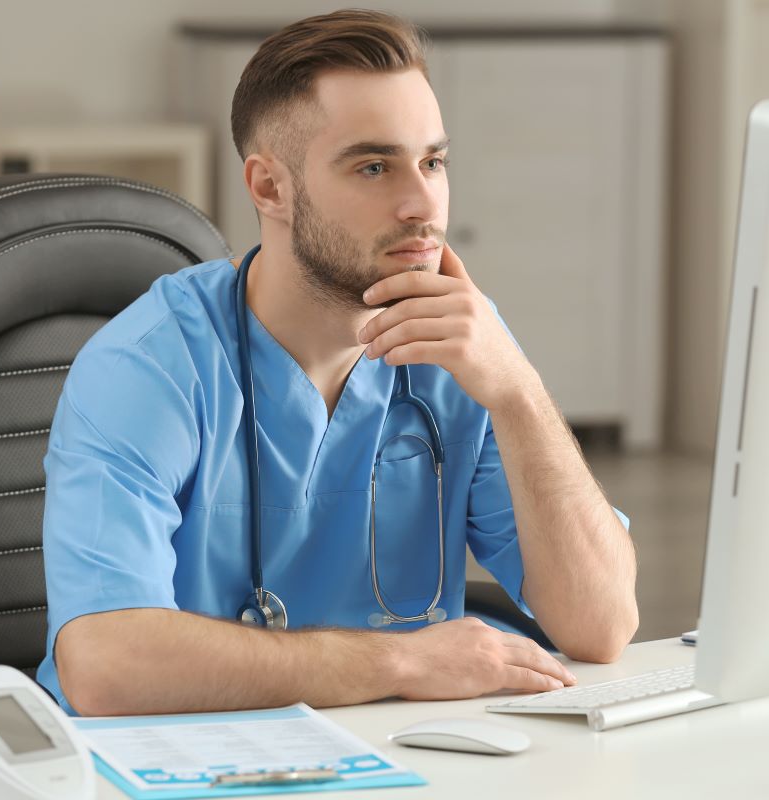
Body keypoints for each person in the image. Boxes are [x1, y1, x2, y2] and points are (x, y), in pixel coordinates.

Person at [36, 8, 638, 717]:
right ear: (269, 188)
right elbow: (105, 665)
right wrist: (404, 659)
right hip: (196, 760)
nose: (422, 204)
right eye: (374, 166)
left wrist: (517, 392)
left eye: (434, 162)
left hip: (417, 751)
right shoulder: (149, 367)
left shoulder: (462, 346)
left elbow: (601, 626)